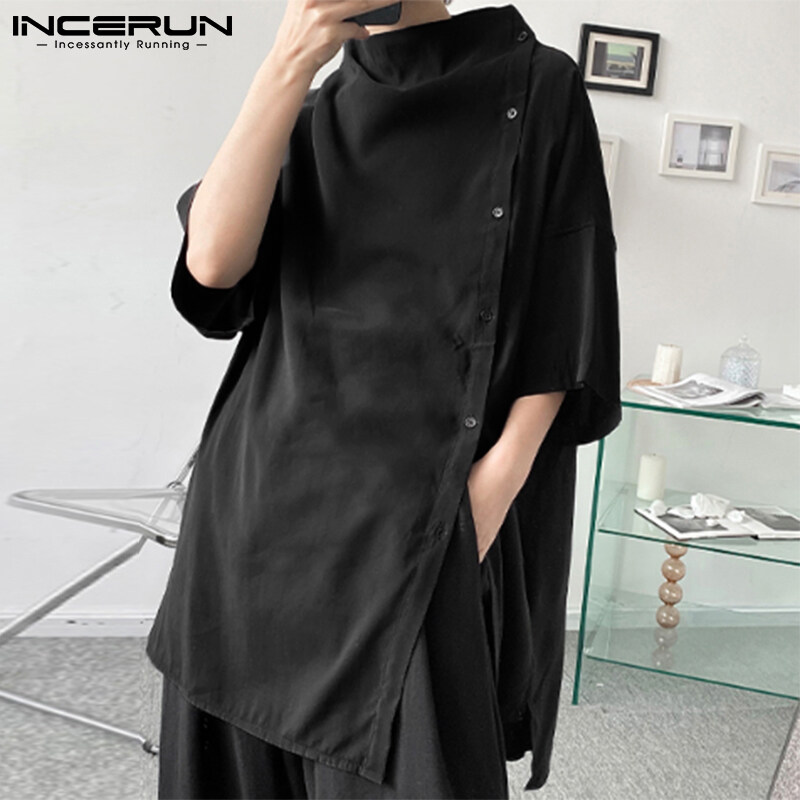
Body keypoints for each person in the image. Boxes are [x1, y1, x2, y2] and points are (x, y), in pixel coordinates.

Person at [147, 0, 622, 797]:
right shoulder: (303, 110)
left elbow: (565, 309)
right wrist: (284, 66)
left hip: (423, 531)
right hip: (253, 526)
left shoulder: (538, 85)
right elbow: (214, 270)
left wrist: (490, 492)